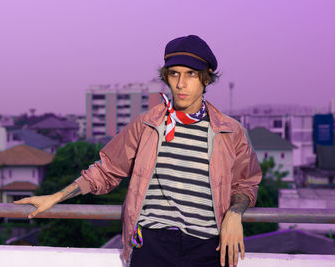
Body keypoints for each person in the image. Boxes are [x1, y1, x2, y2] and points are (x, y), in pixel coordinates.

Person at [14, 34, 262, 267]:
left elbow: (246, 184)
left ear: (206, 78)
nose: (181, 84)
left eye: (191, 74)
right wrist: (55, 197)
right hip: (152, 244)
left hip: (209, 248)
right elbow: (106, 171)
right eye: (174, 74)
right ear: (166, 77)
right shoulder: (147, 125)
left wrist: (234, 213)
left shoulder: (230, 132)